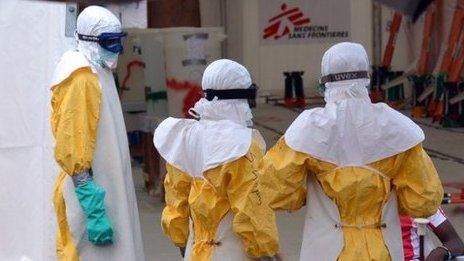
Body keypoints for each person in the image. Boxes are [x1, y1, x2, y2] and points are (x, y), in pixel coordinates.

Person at [259, 42, 444, 261]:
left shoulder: (307, 128)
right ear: (367, 78)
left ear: (325, 82)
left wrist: (310, 193)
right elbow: (424, 202)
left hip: (325, 250)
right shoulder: (397, 128)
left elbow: (275, 192)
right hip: (383, 249)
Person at [153, 59, 280, 261]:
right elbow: (252, 207)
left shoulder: (184, 137)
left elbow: (176, 198)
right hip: (233, 251)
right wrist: (265, 252)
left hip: (195, 249)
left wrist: (181, 239)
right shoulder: (241, 144)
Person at [50, 6, 144, 261]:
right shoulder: (81, 78)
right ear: (89, 40)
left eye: (118, 42)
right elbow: (72, 143)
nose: (117, 51)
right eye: (109, 43)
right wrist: (93, 208)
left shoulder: (98, 70)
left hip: (109, 191)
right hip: (93, 200)